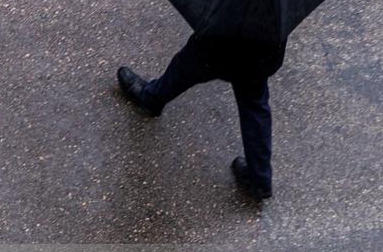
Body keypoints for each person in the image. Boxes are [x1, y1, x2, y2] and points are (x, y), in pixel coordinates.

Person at [117, 34, 286, 200]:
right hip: (265, 48)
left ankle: (152, 98)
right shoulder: (281, 10)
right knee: (254, 101)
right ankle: (260, 179)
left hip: (223, 39)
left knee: (188, 64)